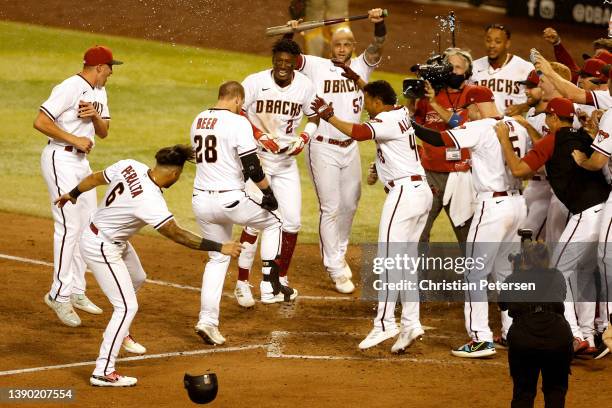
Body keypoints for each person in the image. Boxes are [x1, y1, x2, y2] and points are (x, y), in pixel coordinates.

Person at [54, 145, 242, 387]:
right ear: (174, 174)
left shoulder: (130, 165)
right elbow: (177, 234)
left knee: (138, 277)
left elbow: (94, 178)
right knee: (126, 307)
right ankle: (103, 371)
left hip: (107, 235)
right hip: (101, 246)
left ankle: (121, 332)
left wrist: (73, 193)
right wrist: (220, 247)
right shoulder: (150, 200)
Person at [311, 80, 433, 353]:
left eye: (368, 101)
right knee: (405, 262)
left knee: (389, 260)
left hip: (404, 194)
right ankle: (411, 323)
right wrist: (381, 165)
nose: (365, 106)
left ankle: (385, 324)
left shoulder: (387, 119)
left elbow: (356, 132)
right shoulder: (401, 112)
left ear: (378, 102)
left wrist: (329, 116)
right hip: (420, 191)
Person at [411, 86, 529, 357]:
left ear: (476, 106)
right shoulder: (517, 125)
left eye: (468, 109)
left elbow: (440, 139)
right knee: (504, 272)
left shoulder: (482, 126)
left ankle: (481, 338)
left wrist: (410, 125)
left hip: (493, 207)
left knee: (474, 272)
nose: (467, 114)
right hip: (518, 204)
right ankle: (512, 331)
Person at [496, 97, 610, 355]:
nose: (546, 121)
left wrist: (505, 139)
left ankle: (573, 335)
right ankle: (589, 337)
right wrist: (528, 127)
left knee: (558, 273)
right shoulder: (580, 136)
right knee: (583, 273)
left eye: (548, 117)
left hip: (586, 214)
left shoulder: (553, 140)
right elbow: (547, 145)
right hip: (604, 214)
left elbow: (519, 170)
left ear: (554, 119)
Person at [284, 8, 386, 293]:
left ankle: (338, 252)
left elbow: (378, 45)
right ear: (331, 46)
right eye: (338, 44)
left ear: (353, 47)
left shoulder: (363, 66)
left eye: (346, 45)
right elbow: (288, 57)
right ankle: (334, 265)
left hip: (350, 148)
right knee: (330, 207)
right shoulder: (317, 66)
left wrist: (379, 25)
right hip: (323, 148)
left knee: (350, 204)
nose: (341, 49)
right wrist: (292, 32)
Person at [191, 81, 295, 345]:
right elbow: (252, 166)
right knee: (275, 221)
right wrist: (268, 193)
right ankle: (270, 282)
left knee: (217, 259)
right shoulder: (238, 123)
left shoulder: (198, 119)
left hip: (201, 201)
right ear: (238, 100)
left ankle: (207, 321)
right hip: (230, 200)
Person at [35, 45, 122, 327]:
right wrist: (73, 139)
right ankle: (58, 295)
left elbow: (105, 131)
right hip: (60, 159)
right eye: (110, 67)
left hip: (81, 164)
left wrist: (94, 116)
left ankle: (76, 291)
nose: (111, 72)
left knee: (87, 227)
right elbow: (40, 121)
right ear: (99, 68)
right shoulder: (70, 87)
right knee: (68, 227)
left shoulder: (100, 91)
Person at [231, 39, 318, 307]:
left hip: (286, 163)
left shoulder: (304, 86)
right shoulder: (255, 82)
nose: (282, 66)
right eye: (278, 61)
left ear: (295, 64)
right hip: (258, 160)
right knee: (255, 223)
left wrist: (304, 137)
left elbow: (314, 116)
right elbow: (237, 111)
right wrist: (258, 134)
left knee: (291, 223)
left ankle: (278, 280)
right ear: (273, 60)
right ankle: (242, 283)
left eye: (287, 63)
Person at [498, 241, 573, 408]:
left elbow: (502, 304)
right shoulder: (557, 275)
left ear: (524, 259)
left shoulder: (514, 278)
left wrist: (516, 274)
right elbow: (560, 295)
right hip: (557, 337)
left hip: (524, 338)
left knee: (523, 393)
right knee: (555, 390)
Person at [413, 48, 476, 245]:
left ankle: (475, 275)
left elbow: (459, 124)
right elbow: (414, 126)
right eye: (449, 67)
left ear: (467, 72)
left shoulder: (472, 95)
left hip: (460, 175)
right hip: (429, 173)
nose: (453, 71)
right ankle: (417, 274)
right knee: (418, 229)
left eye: (458, 67)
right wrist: (415, 98)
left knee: (466, 234)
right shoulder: (430, 94)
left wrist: (435, 104)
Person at [470, 24, 535, 116]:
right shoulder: (473, 67)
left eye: (498, 42)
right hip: (481, 125)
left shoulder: (525, 68)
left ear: (507, 44)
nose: (492, 45)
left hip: (513, 125)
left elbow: (540, 98)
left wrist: (523, 107)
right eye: (488, 41)